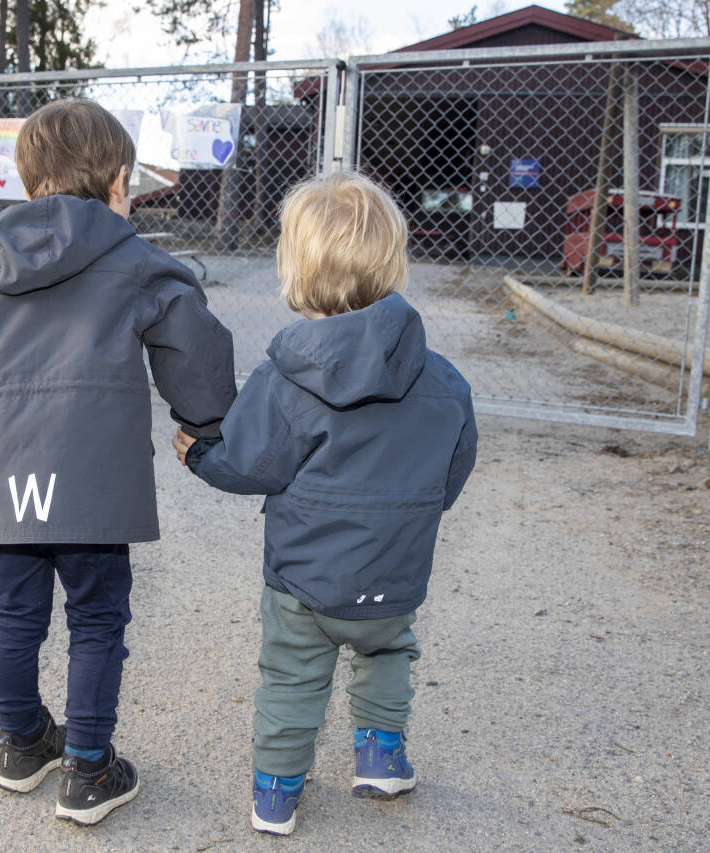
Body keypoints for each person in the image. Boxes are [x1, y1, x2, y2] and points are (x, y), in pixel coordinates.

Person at [0, 97, 237, 826]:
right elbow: (193, 344)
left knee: (12, 609)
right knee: (96, 616)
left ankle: (22, 742)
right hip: (93, 480)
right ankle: (89, 769)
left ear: (27, 181)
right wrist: (208, 425)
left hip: (10, 475)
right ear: (120, 180)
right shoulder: (134, 259)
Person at [171, 171, 478, 836]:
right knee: (387, 653)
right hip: (393, 575)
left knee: (291, 675)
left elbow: (249, 463)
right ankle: (380, 757)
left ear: (296, 267)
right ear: (393, 258)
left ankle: (276, 794)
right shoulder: (445, 380)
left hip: (301, 582)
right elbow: (452, 471)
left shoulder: (284, 377)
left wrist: (198, 453)